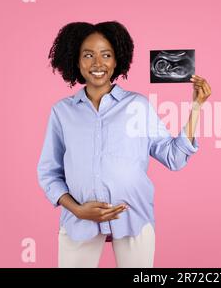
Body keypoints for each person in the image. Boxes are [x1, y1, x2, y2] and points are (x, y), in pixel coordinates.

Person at [37, 21, 211, 268]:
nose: (98, 63)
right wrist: (77, 210)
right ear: (76, 61)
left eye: (106, 55)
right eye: (88, 55)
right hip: (78, 221)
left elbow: (174, 157)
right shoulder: (62, 112)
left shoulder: (137, 106)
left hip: (134, 217)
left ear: (117, 60)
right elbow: (48, 173)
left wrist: (196, 107)